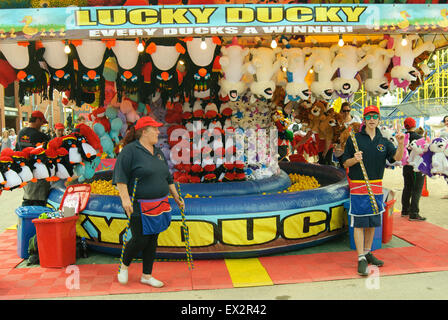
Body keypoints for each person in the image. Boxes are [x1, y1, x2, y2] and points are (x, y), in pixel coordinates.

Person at [113, 116, 184, 288]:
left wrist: (176, 197)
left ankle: (147, 275)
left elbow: (168, 177)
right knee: (140, 239)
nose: (159, 132)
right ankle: (123, 265)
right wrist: (125, 199)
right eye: (155, 129)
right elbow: (120, 176)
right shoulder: (130, 151)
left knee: (153, 239)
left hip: (160, 203)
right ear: (144, 132)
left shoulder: (158, 152)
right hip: (138, 203)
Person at [341, 105, 405, 276]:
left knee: (371, 224)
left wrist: (400, 144)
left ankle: (368, 252)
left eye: (374, 116)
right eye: (368, 116)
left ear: (378, 119)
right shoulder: (354, 139)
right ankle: (361, 257)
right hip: (359, 186)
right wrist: (354, 160)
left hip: (376, 187)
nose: (371, 119)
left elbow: (396, 159)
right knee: (360, 223)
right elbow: (344, 163)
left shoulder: (383, 141)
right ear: (364, 119)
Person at [16, 110, 51, 206]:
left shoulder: (20, 133)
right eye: (42, 123)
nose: (42, 125)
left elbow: (16, 151)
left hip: (25, 173)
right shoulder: (41, 136)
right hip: (38, 175)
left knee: (28, 199)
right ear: (38, 120)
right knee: (38, 203)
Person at [401, 117, 426, 221]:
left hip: (406, 166)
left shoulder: (403, 137)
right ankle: (414, 213)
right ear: (414, 125)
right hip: (416, 167)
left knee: (407, 187)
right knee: (417, 189)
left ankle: (405, 210)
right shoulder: (419, 138)